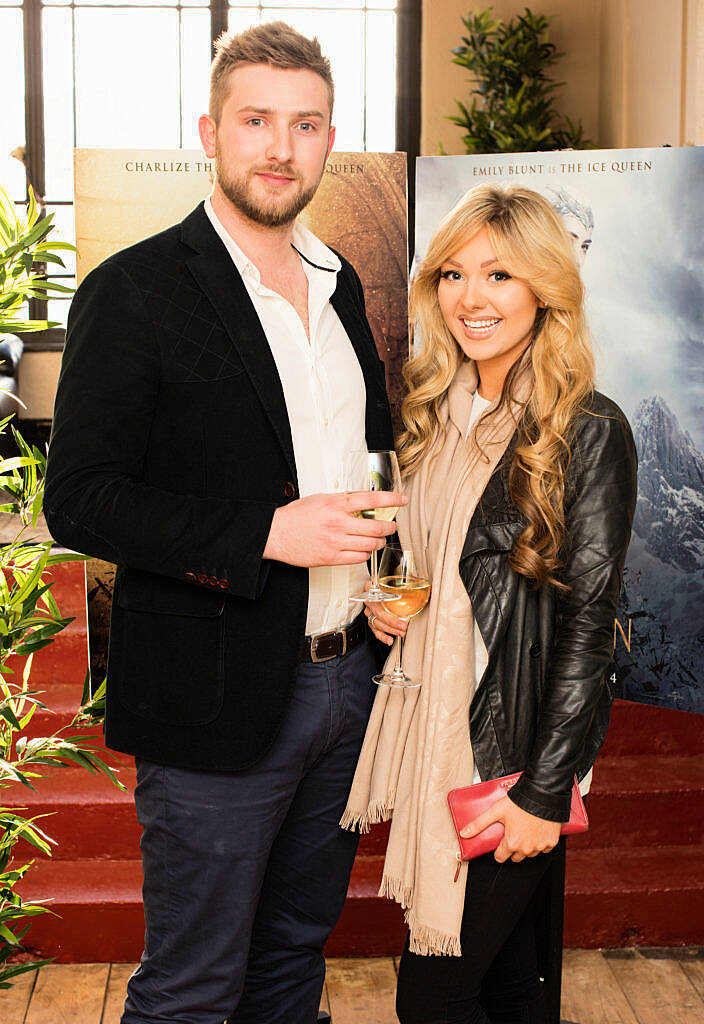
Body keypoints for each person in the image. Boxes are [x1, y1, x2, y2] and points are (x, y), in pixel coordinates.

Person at [44, 21, 402, 1024]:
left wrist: (388, 578)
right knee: (195, 985)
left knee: (293, 951)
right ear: (211, 130)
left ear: (331, 139)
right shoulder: (135, 290)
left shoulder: (340, 288)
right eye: (256, 121)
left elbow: (364, 465)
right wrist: (263, 533)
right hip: (214, 692)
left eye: (304, 124)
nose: (279, 147)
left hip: (346, 686)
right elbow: (77, 499)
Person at [342, 183, 638, 1024]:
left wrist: (545, 790)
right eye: (453, 274)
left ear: (545, 288)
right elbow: (426, 561)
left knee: (434, 1000)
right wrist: (386, 610)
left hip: (509, 751)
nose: (472, 298)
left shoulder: (586, 428)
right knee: (511, 988)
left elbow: (588, 626)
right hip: (436, 723)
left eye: (501, 275)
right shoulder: (435, 411)